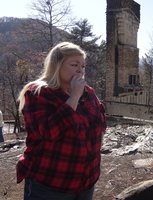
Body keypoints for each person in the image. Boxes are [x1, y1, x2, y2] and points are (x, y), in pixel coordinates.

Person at [16, 42, 106, 200]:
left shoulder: (88, 92)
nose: (80, 70)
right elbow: (47, 132)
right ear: (56, 65)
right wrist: (74, 97)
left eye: (83, 66)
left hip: (86, 182)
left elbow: (100, 125)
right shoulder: (38, 93)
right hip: (51, 184)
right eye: (74, 64)